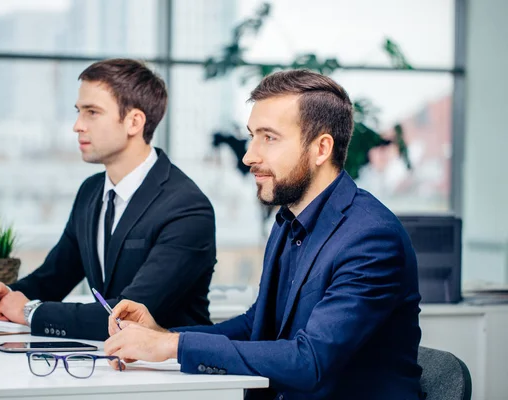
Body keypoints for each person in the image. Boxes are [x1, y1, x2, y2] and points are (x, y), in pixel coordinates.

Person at [103, 69, 424, 400]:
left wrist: (172, 346)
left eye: (268, 137)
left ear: (321, 148)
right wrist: (162, 335)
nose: (249, 156)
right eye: (252, 136)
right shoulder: (288, 220)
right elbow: (256, 326)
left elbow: (309, 360)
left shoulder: (371, 238)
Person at [0, 59, 217, 341]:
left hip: (174, 373)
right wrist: (1, 295)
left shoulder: (187, 208)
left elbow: (125, 316)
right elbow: (53, 278)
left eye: (92, 113)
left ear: (134, 121)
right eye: (78, 112)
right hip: (104, 364)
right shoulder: (91, 192)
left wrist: (29, 312)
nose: (77, 126)